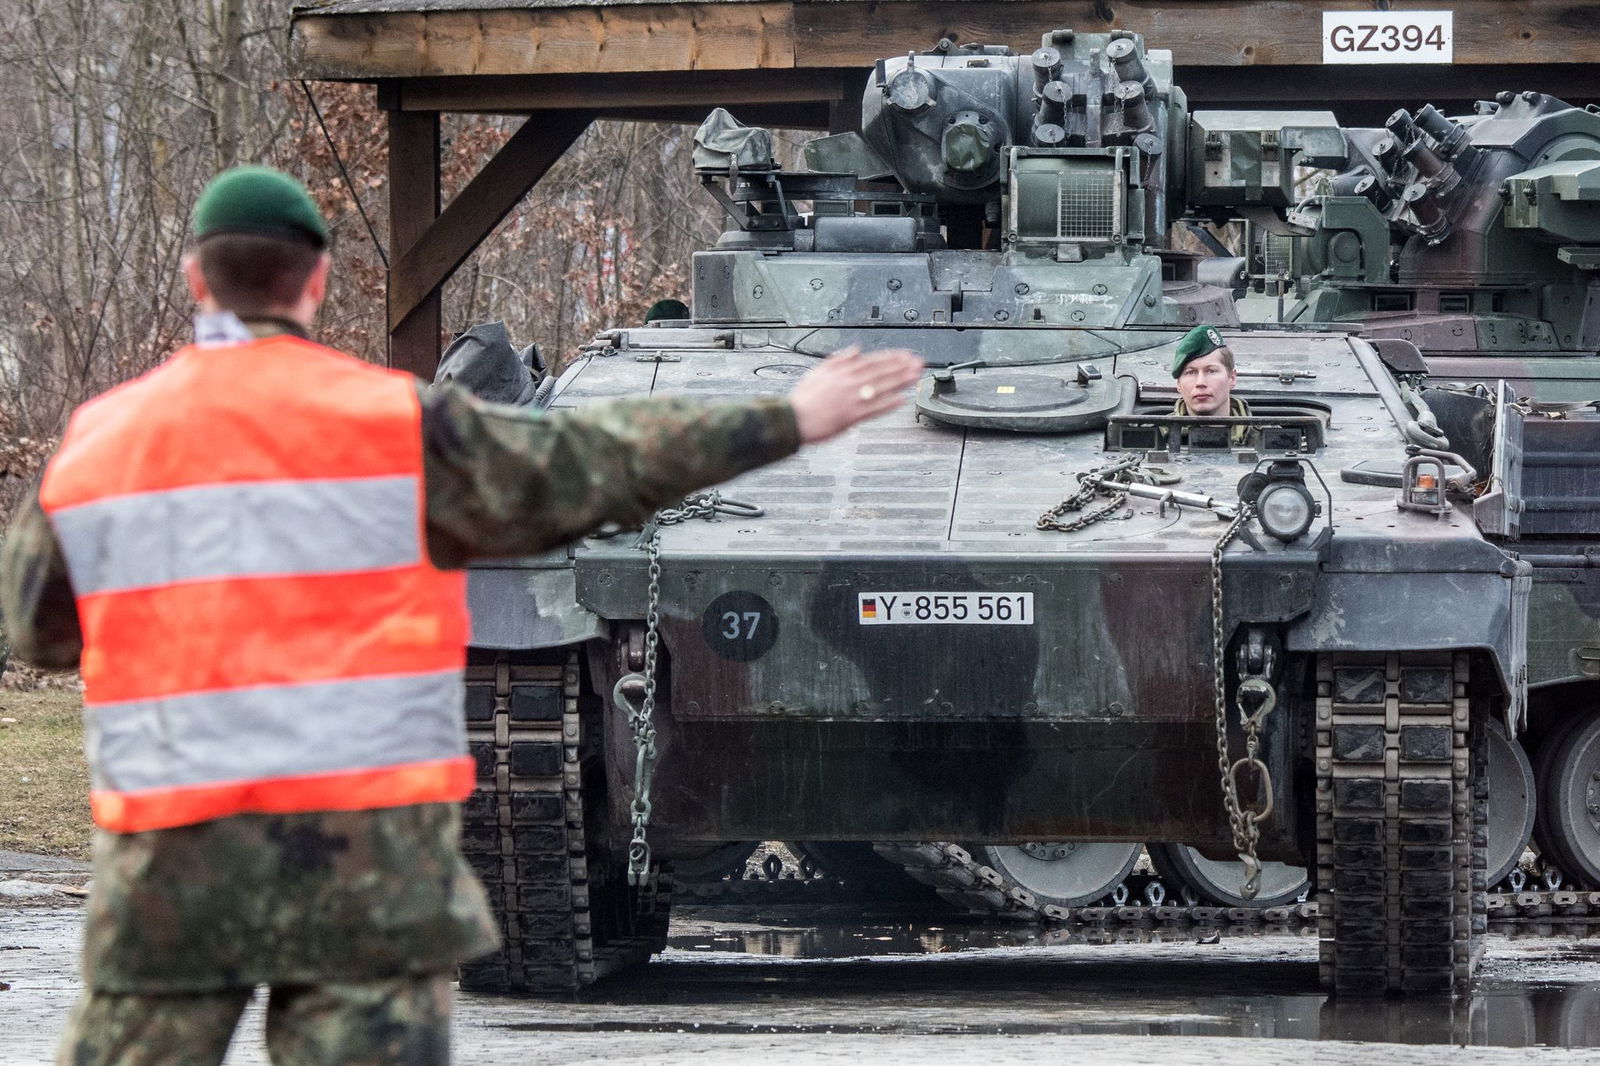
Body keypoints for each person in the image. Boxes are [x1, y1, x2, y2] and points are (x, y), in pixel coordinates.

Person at [0, 165, 922, 1066]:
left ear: (197, 278)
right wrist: (782, 421)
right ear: (315, 280)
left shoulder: (100, 446)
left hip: (174, 848)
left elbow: (39, 633)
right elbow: (591, 458)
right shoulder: (396, 427)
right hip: (363, 854)